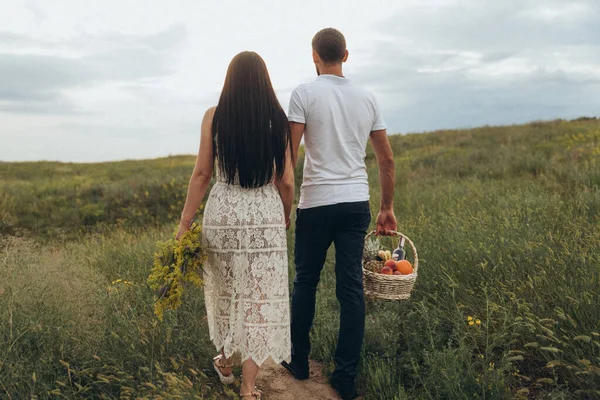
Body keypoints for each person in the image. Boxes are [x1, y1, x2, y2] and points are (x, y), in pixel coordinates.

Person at [282, 28, 396, 400]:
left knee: (306, 281)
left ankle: (299, 361)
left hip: (315, 203)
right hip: (355, 204)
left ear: (314, 55)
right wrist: (386, 208)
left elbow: (290, 157)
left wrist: (283, 201)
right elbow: (386, 159)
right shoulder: (367, 97)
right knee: (350, 289)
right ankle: (345, 379)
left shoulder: (303, 93)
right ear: (345, 55)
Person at [177, 51, 295, 400]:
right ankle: (248, 388)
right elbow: (286, 180)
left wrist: (185, 223)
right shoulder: (277, 120)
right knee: (259, 297)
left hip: (224, 211)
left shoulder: (214, 117)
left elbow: (201, 174)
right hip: (264, 212)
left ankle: (225, 364)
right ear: (265, 81)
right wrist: (285, 215)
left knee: (227, 289)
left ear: (229, 81)